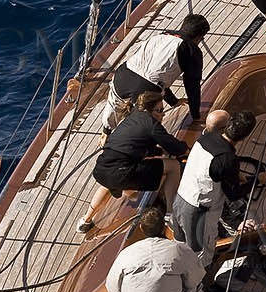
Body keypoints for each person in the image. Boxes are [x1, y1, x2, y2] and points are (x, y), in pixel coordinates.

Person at [78, 95, 188, 233]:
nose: (163, 114)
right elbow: (175, 148)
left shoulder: (131, 118)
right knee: (173, 167)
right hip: (123, 173)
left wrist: (158, 151)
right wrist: (185, 148)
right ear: (149, 111)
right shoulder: (152, 125)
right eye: (159, 110)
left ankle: (85, 220)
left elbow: (133, 146)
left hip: (102, 169)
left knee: (108, 183)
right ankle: (170, 214)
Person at [104, 206, 209, 292]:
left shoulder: (127, 254)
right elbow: (195, 279)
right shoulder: (179, 250)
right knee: (197, 288)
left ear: (141, 228)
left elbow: (111, 286)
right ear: (164, 227)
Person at [171, 109, 262, 265]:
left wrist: (234, 174)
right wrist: (257, 180)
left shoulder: (205, 138)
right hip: (198, 214)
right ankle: (197, 285)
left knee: (179, 246)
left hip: (179, 201)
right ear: (244, 137)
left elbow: (209, 168)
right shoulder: (227, 158)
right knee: (201, 257)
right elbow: (233, 194)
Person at [102, 14, 210, 131]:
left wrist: (174, 102)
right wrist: (196, 116)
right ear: (199, 37)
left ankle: (106, 131)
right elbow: (192, 85)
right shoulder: (191, 50)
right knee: (145, 125)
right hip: (146, 87)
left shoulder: (162, 35)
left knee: (114, 105)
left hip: (122, 74)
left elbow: (159, 75)